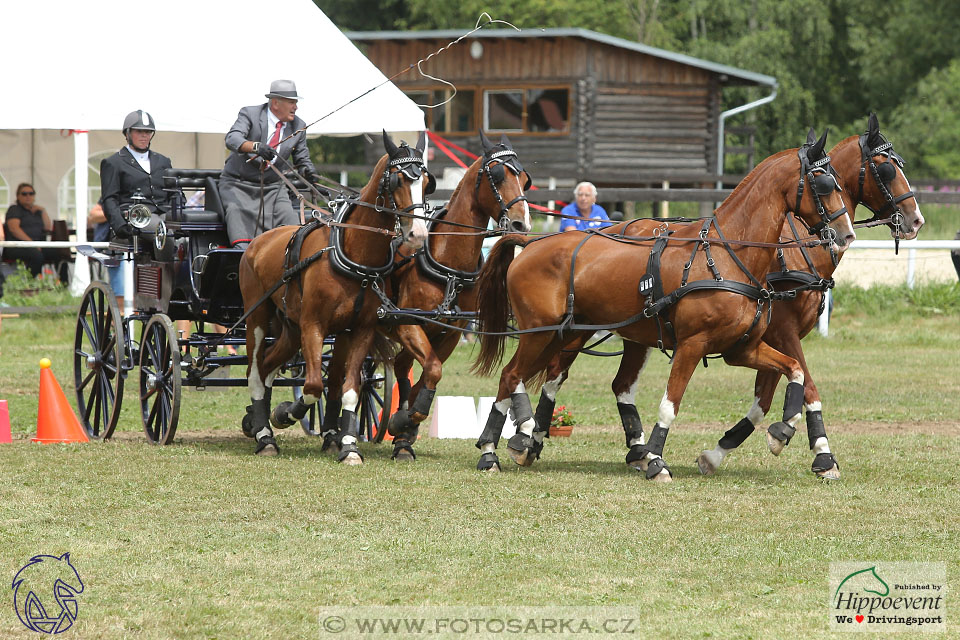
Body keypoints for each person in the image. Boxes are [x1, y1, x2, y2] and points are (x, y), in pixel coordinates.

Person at [220, 79, 318, 248]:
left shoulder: (299, 125)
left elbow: (302, 158)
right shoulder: (250, 114)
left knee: (290, 221)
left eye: (295, 102)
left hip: (273, 188)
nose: (295, 107)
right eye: (291, 102)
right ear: (275, 103)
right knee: (235, 213)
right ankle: (242, 256)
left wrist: (308, 170)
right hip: (238, 184)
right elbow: (232, 139)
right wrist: (256, 147)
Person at [99, 110, 173, 308]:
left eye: (148, 132)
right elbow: (109, 199)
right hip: (137, 217)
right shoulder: (113, 162)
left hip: (164, 214)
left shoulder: (163, 161)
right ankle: (165, 292)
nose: (144, 136)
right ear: (128, 133)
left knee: (189, 232)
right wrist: (120, 224)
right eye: (139, 131)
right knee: (164, 233)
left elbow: (174, 191)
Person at [3, 183, 58, 277]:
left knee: (59, 253)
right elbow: (14, 229)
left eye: (31, 193)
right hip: (17, 246)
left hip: (36, 245)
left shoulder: (37, 211)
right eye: (24, 194)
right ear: (18, 196)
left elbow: (47, 228)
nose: (28, 196)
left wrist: (43, 211)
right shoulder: (15, 209)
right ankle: (30, 284)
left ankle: (63, 284)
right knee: (36, 255)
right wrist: (32, 243)